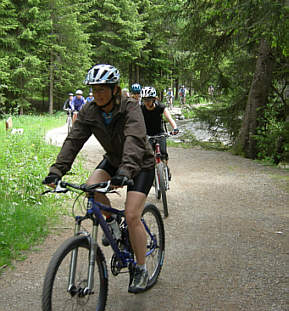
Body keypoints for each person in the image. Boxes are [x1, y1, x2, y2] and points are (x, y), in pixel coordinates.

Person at [42, 64, 155, 294]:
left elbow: (134, 139)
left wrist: (125, 172)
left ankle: (141, 268)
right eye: (94, 89)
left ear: (115, 89)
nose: (98, 94)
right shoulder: (89, 111)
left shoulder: (130, 107)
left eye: (103, 88)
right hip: (114, 160)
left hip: (140, 163)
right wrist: (57, 171)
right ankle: (112, 225)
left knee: (132, 215)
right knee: (91, 188)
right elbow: (73, 140)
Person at [140, 86, 179, 178]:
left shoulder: (160, 107)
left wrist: (175, 128)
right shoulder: (140, 108)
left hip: (160, 133)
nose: (146, 102)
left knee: (163, 153)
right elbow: (135, 121)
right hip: (147, 135)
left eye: (149, 99)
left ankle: (165, 167)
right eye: (144, 99)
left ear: (154, 99)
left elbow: (169, 118)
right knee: (147, 156)